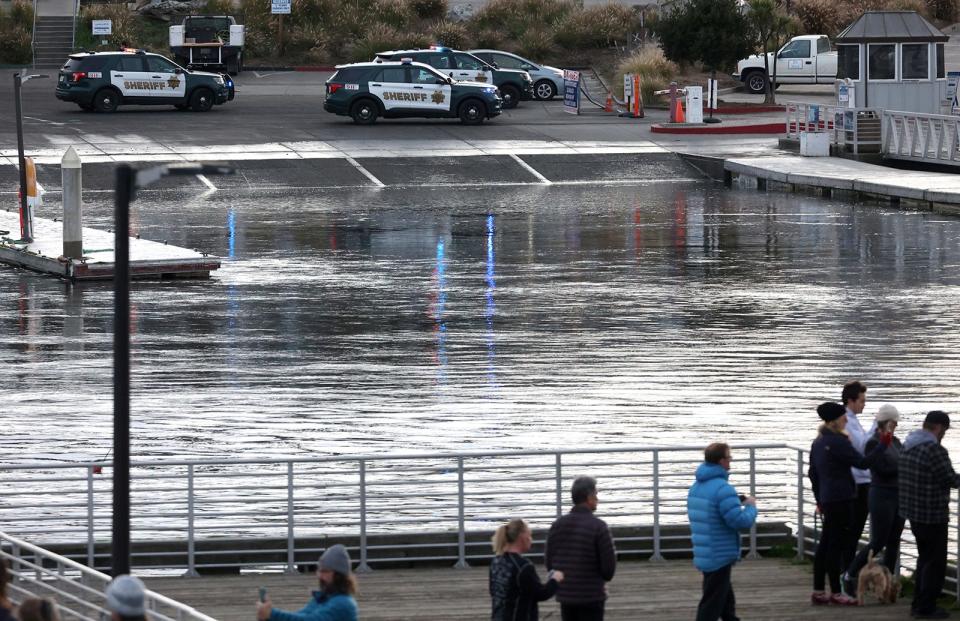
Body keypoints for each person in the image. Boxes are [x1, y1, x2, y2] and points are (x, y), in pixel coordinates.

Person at [809, 401, 890, 606]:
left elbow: (813, 474)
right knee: (835, 546)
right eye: (843, 416)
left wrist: (819, 499)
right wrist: (883, 443)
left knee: (825, 545)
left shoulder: (818, 442)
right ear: (836, 421)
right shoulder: (838, 442)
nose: (847, 418)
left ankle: (819, 590)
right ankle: (836, 592)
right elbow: (862, 463)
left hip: (828, 499)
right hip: (842, 499)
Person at [687, 442, 758, 621]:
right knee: (712, 602)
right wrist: (751, 507)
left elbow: (711, 509)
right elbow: (739, 522)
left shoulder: (697, 486)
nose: (731, 461)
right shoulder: (723, 488)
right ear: (721, 461)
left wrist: (734, 500)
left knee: (724, 595)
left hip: (706, 549)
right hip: (720, 552)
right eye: (729, 458)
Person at [899, 410, 960, 619]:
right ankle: (926, 607)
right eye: (945, 430)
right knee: (935, 562)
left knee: (924, 558)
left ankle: (918, 602)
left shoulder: (909, 445)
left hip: (913, 513)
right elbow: (950, 479)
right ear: (940, 427)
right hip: (932, 514)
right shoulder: (934, 450)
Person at [842, 404, 905, 597]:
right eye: (892, 422)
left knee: (894, 540)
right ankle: (849, 574)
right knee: (878, 541)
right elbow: (881, 470)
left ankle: (889, 582)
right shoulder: (873, 443)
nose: (895, 426)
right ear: (885, 422)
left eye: (896, 423)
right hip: (881, 494)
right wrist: (902, 469)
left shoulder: (896, 442)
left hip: (898, 494)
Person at [544, 476, 616, 621]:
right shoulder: (599, 527)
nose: (598, 499)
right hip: (592, 596)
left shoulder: (557, 525)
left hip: (566, 596)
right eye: (596, 494)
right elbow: (608, 570)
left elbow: (549, 563)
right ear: (589, 497)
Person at [257, 544, 358, 621]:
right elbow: (302, 615)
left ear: (339, 575)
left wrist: (272, 614)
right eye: (319, 571)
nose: (319, 575)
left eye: (325, 571)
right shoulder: (322, 599)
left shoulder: (344, 604)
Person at [489, 518, 564, 621]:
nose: (531, 539)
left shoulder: (496, 561)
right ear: (522, 536)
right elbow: (540, 593)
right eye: (529, 534)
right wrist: (555, 579)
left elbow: (494, 592)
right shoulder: (523, 566)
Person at [841, 380, 871, 568]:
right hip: (857, 481)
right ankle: (848, 568)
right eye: (861, 400)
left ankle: (847, 567)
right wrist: (877, 427)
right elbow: (861, 446)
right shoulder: (848, 421)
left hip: (860, 479)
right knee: (854, 527)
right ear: (851, 401)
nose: (864, 404)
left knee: (854, 528)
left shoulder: (852, 420)